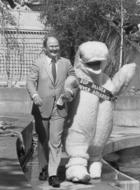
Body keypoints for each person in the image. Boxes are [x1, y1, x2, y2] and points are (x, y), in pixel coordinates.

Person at [26, 36, 75, 188]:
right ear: (45, 48)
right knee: (43, 140)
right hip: (41, 107)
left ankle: (53, 174)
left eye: (56, 46)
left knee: (56, 141)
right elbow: (30, 82)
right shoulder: (38, 62)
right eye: (51, 46)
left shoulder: (66, 63)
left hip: (60, 107)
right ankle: (43, 168)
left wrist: (69, 92)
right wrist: (34, 96)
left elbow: (74, 79)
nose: (54, 48)